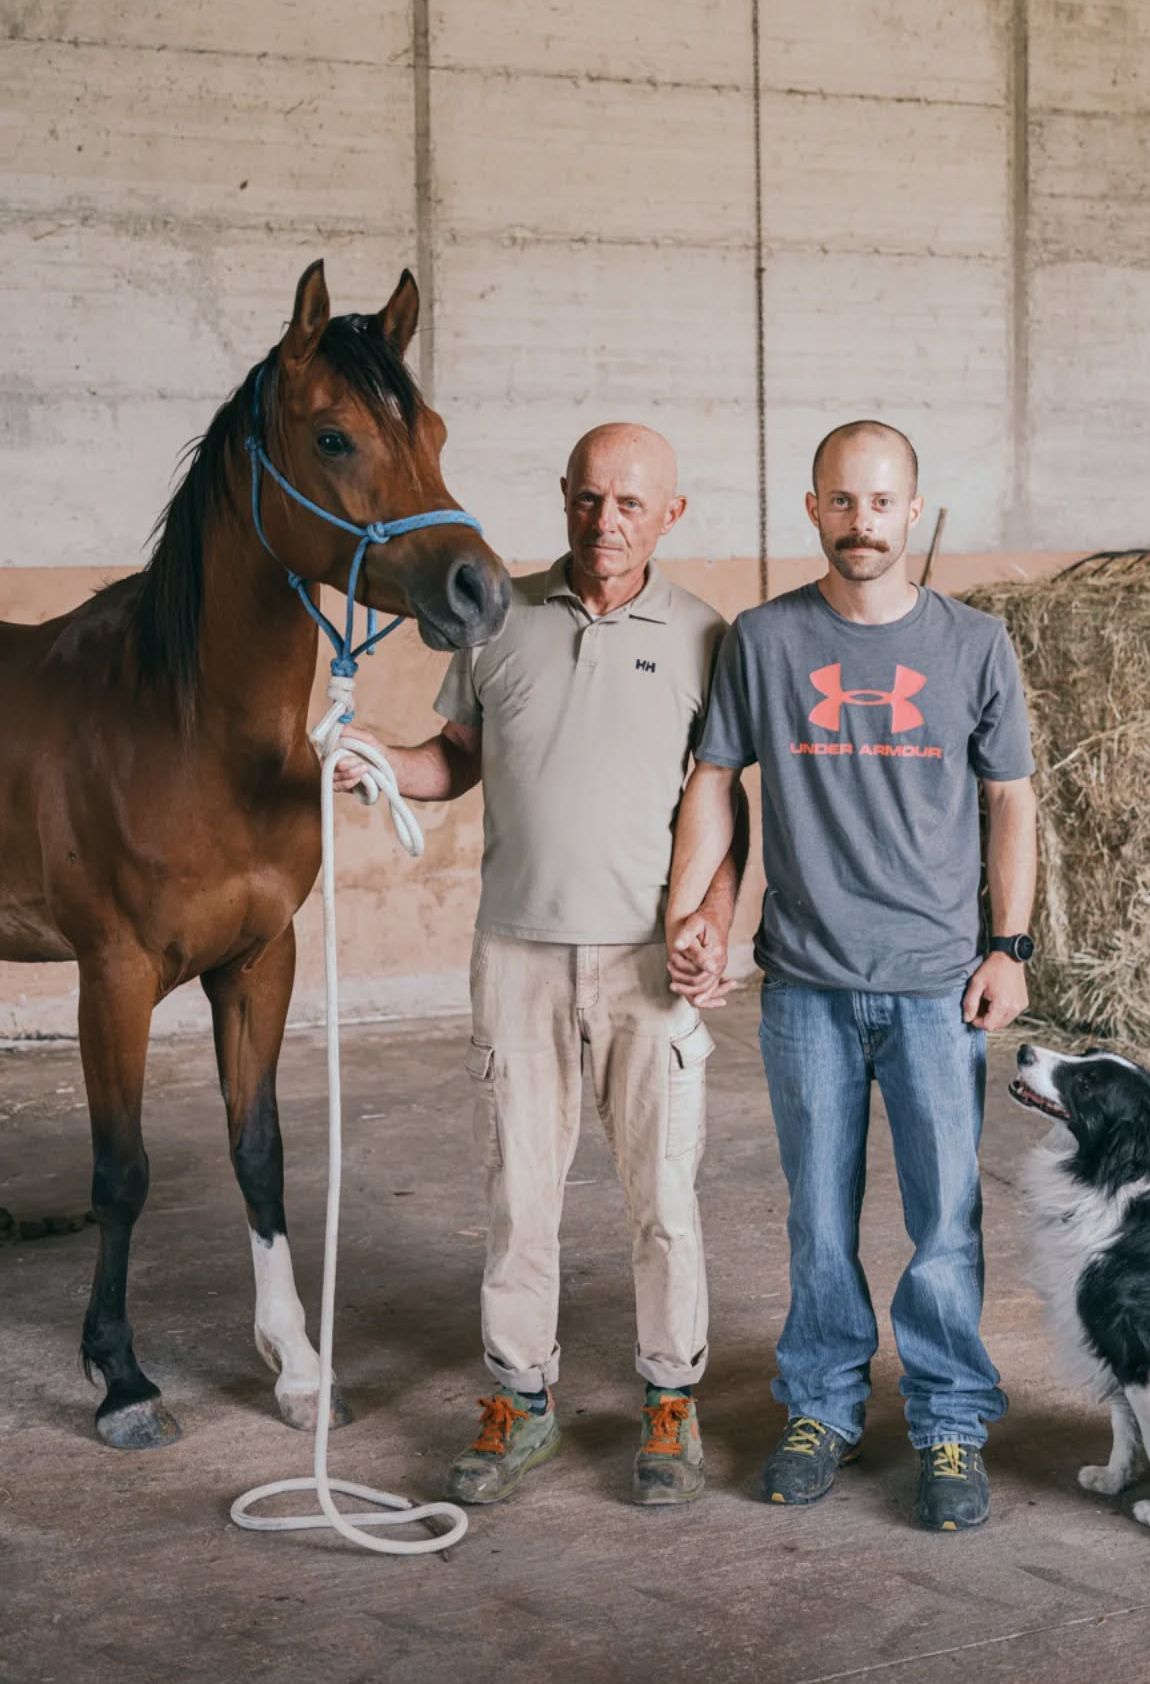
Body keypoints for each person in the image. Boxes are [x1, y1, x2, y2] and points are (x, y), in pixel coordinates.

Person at [335, 423, 743, 1507]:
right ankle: (521, 1403)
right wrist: (380, 762)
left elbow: (723, 806)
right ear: (562, 497)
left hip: (647, 965)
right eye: (587, 499)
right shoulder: (494, 617)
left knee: (663, 1193)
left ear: (670, 515)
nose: (604, 523)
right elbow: (457, 759)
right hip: (516, 953)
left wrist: (714, 918)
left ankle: (670, 1401)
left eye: (628, 504)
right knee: (518, 1193)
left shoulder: (709, 636)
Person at [665, 420, 1038, 1531]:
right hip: (808, 985)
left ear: (912, 511)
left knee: (945, 1219)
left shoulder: (976, 644)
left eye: (882, 503)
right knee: (817, 1216)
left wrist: (1009, 949)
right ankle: (822, 1405)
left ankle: (949, 1423)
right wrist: (692, 915)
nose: (862, 522)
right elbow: (715, 780)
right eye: (842, 501)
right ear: (814, 507)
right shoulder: (765, 641)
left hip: (936, 985)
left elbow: (1011, 797)